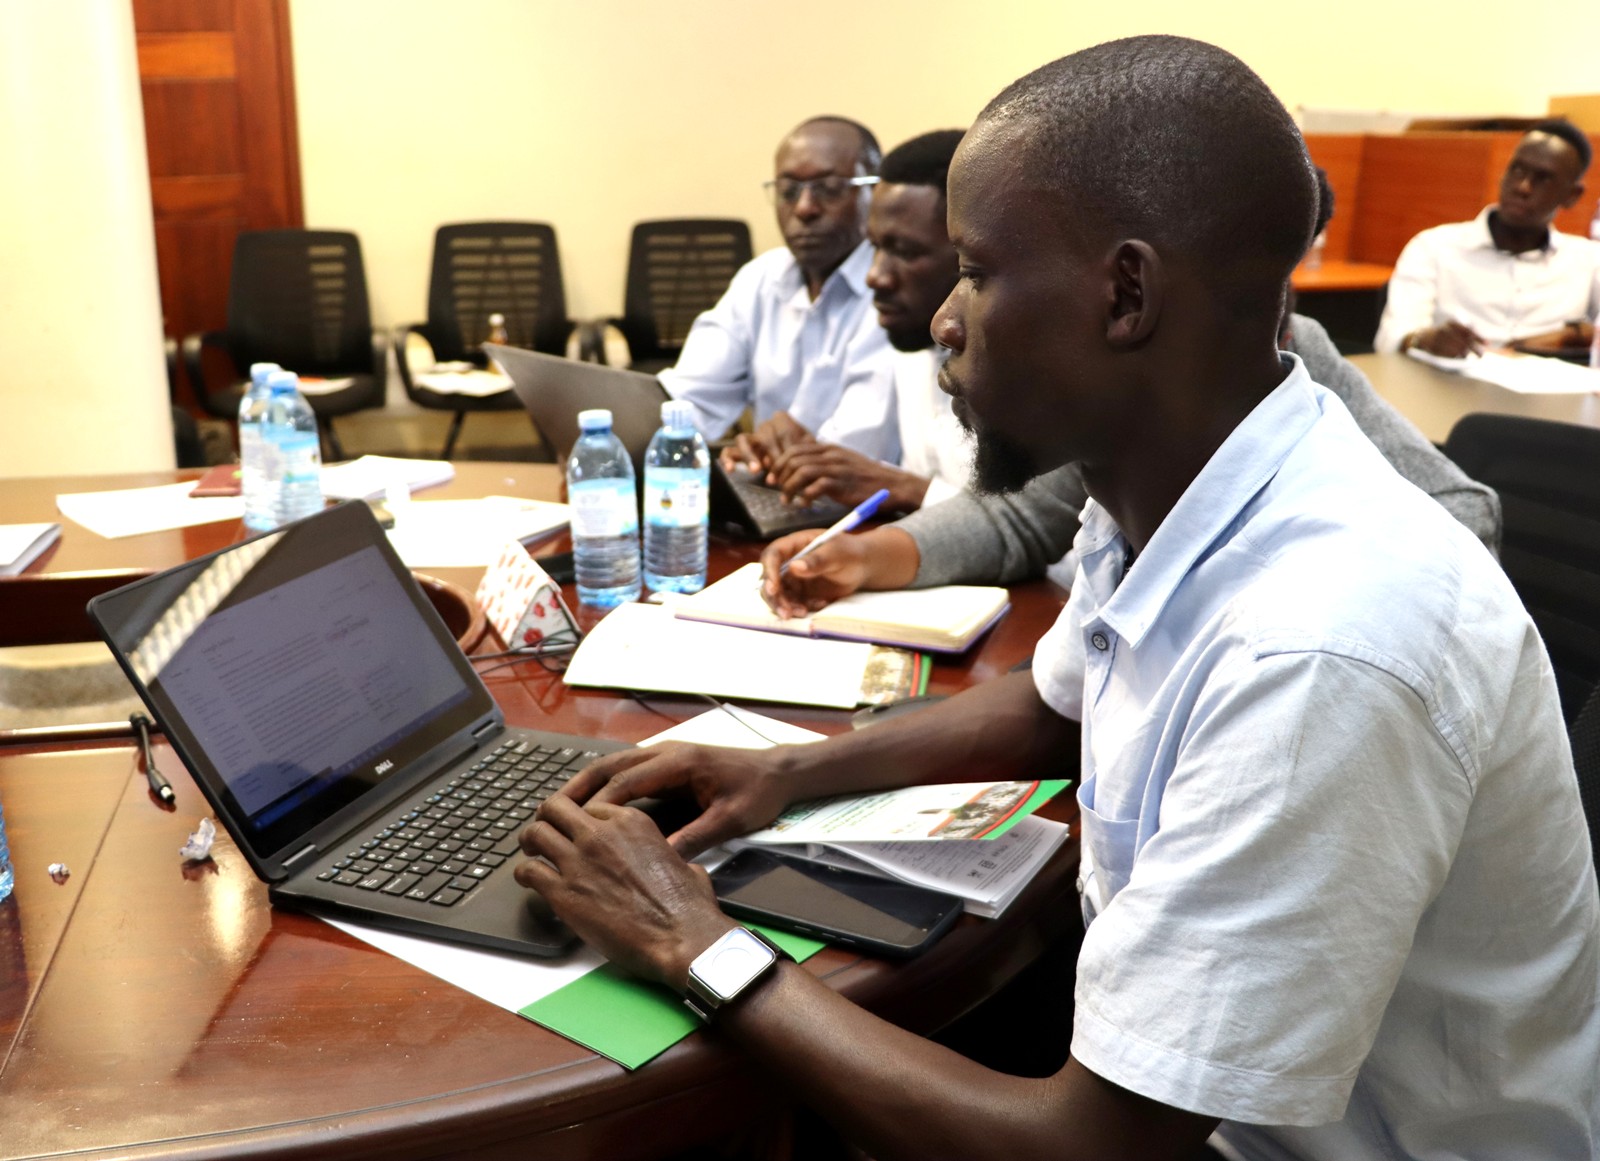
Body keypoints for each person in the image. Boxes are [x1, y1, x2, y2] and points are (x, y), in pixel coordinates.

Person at [518, 36, 1600, 1160]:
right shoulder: (1169, 480)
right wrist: (782, 772)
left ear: (1124, 292)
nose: (943, 321)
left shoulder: (1321, 646)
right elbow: (1061, 701)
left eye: (977, 274)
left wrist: (691, 943)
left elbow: (1089, 1149)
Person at [723, 129, 972, 515]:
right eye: (874, 247)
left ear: (971, 257)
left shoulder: (1027, 372)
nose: (874, 276)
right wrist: (802, 457)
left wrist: (906, 489)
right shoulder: (912, 348)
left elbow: (1048, 541)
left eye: (904, 251)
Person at [659, 116, 900, 462]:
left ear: (874, 192)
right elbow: (690, 401)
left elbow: (861, 448)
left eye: (828, 188)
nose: (804, 208)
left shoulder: (894, 286)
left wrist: (762, 458)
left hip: (871, 507)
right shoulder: (760, 279)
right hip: (771, 490)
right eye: (788, 191)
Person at [1374, 119, 1600, 357]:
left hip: (1549, 389)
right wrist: (1426, 340)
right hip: (1449, 385)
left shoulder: (1587, 260)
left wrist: (1573, 334)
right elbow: (1390, 337)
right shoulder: (1434, 247)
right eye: (1518, 170)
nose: (1523, 187)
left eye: (1542, 179)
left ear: (1572, 196)